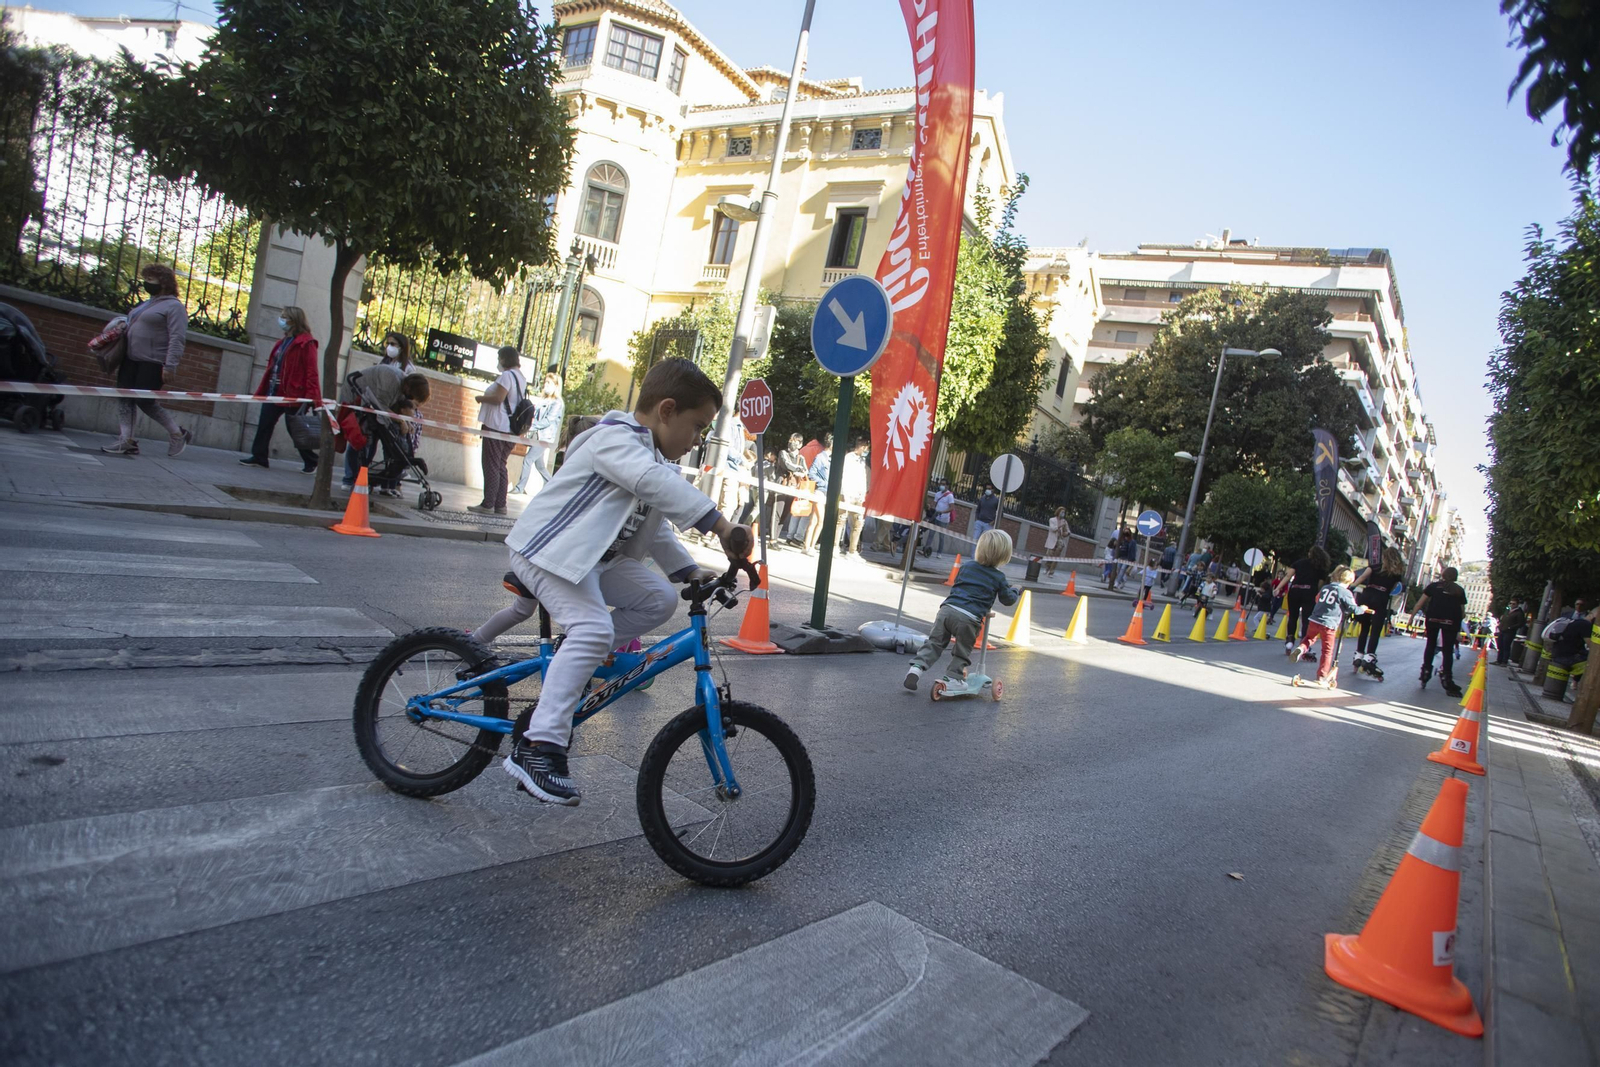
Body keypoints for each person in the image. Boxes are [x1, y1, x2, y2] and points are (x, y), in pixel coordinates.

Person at [498, 358, 749, 805]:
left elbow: (659, 527)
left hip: (593, 561)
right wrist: (720, 524)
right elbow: (649, 482)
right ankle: (539, 746)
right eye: (698, 427)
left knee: (658, 598)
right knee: (592, 629)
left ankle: (575, 659)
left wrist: (690, 571)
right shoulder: (614, 441)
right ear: (666, 410)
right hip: (550, 552)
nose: (698, 441)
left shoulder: (652, 460)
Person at [903, 529, 1020, 691]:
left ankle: (916, 668)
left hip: (947, 610)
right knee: (962, 650)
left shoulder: (967, 566)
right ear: (1004, 555)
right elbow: (1007, 600)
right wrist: (1015, 590)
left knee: (935, 643)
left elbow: (960, 584)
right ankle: (953, 677)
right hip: (969, 618)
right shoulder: (998, 577)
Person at [100, 263, 193, 458]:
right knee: (125, 398)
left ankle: (178, 433)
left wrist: (170, 365)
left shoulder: (174, 307)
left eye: (151, 279)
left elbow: (177, 338)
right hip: (131, 359)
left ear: (164, 282)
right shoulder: (148, 303)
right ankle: (127, 440)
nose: (146, 282)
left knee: (145, 401)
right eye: (146, 278)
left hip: (153, 361)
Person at [240, 304, 320, 472]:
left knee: (295, 428)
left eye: (284, 317)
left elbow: (312, 371)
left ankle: (312, 460)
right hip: (274, 392)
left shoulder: (306, 343)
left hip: (293, 394)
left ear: (294, 320)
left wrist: (312, 397)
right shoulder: (283, 342)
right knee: (264, 424)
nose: (281, 320)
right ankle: (259, 456)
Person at [1289, 566, 1372, 689]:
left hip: (1314, 619)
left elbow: (1317, 599)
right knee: (1327, 651)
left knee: (1309, 638)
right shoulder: (1345, 592)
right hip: (1329, 624)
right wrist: (1363, 609)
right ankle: (1322, 676)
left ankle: (1301, 649)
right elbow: (1353, 609)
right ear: (1349, 581)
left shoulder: (1325, 588)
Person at [471, 346, 525, 517]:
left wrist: (481, 398)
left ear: (504, 359)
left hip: (497, 426)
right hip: (509, 428)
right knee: (500, 465)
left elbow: (498, 398)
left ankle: (488, 504)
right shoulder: (520, 377)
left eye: (499, 358)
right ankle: (500, 504)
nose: (498, 362)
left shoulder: (507, 376)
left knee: (491, 465)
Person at [1413, 566, 1469, 696]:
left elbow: (1419, 603)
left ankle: (1425, 671)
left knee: (1430, 645)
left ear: (1443, 575)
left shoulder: (1433, 587)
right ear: (1455, 577)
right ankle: (1447, 679)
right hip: (1450, 622)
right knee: (1448, 650)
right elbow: (1462, 612)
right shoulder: (1459, 590)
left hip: (1432, 619)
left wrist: (1411, 617)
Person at [1350, 546, 1405, 677]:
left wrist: (1351, 587)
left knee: (1364, 628)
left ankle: (1358, 656)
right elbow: (1392, 589)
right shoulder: (1396, 573)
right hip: (1381, 598)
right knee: (1375, 630)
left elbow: (1362, 577)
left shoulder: (1375, 566)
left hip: (1367, 596)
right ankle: (1369, 659)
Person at [509, 368, 564, 497]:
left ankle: (520, 487)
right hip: (538, 436)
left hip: (544, 438)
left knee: (528, 459)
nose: (546, 386)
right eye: (545, 383)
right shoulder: (544, 400)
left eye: (549, 383)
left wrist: (530, 426)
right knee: (540, 466)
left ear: (556, 386)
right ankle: (551, 487)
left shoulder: (557, 403)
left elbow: (548, 421)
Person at [1282, 546, 1332, 650]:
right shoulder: (1321, 567)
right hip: (1309, 592)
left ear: (1310, 553)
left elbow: (1287, 576)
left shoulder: (1299, 563)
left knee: (1293, 616)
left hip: (1295, 591)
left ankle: (1290, 640)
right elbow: (1320, 584)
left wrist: (1278, 588)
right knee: (1306, 619)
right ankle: (1303, 643)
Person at [839, 437, 869, 556]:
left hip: (858, 496)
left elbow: (863, 478)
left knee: (858, 523)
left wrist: (863, 494)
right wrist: (846, 494)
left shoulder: (862, 461)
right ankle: (835, 546)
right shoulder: (849, 458)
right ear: (862, 447)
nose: (867, 451)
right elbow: (845, 476)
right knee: (841, 521)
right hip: (848, 494)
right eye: (866, 448)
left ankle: (852, 550)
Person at [778, 433, 809, 541]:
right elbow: (786, 464)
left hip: (794, 488)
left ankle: (777, 537)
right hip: (782, 485)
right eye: (791, 440)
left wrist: (799, 471)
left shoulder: (801, 458)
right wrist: (798, 469)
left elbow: (805, 471)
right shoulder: (783, 453)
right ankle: (773, 538)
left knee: (786, 513)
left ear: (800, 444)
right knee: (777, 512)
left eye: (796, 441)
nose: (792, 443)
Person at [1496, 599, 1528, 666]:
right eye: (1510, 603)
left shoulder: (1519, 613)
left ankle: (1504, 661)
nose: (1511, 605)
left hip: (1509, 632)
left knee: (1506, 646)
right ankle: (1499, 660)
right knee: (1500, 645)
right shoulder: (1507, 611)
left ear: (1517, 604)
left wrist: (1510, 627)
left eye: (1514, 604)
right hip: (1502, 630)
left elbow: (1521, 623)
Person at [930, 478, 955, 556]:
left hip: (944, 519)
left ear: (947, 486)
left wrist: (942, 512)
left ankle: (939, 553)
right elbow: (934, 504)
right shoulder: (937, 494)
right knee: (931, 533)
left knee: (941, 537)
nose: (942, 486)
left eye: (944, 484)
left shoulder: (950, 496)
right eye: (941, 484)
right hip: (935, 517)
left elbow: (951, 508)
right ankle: (926, 548)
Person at [1044, 507, 1068, 577]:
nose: (1063, 514)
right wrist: (1060, 525)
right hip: (1052, 540)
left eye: (1064, 512)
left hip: (1060, 540)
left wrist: (1067, 533)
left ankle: (1051, 572)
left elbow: (1067, 531)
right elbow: (1053, 529)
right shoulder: (1052, 520)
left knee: (1056, 557)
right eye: (1062, 512)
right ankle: (1047, 568)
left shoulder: (1064, 522)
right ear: (1058, 512)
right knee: (1049, 555)